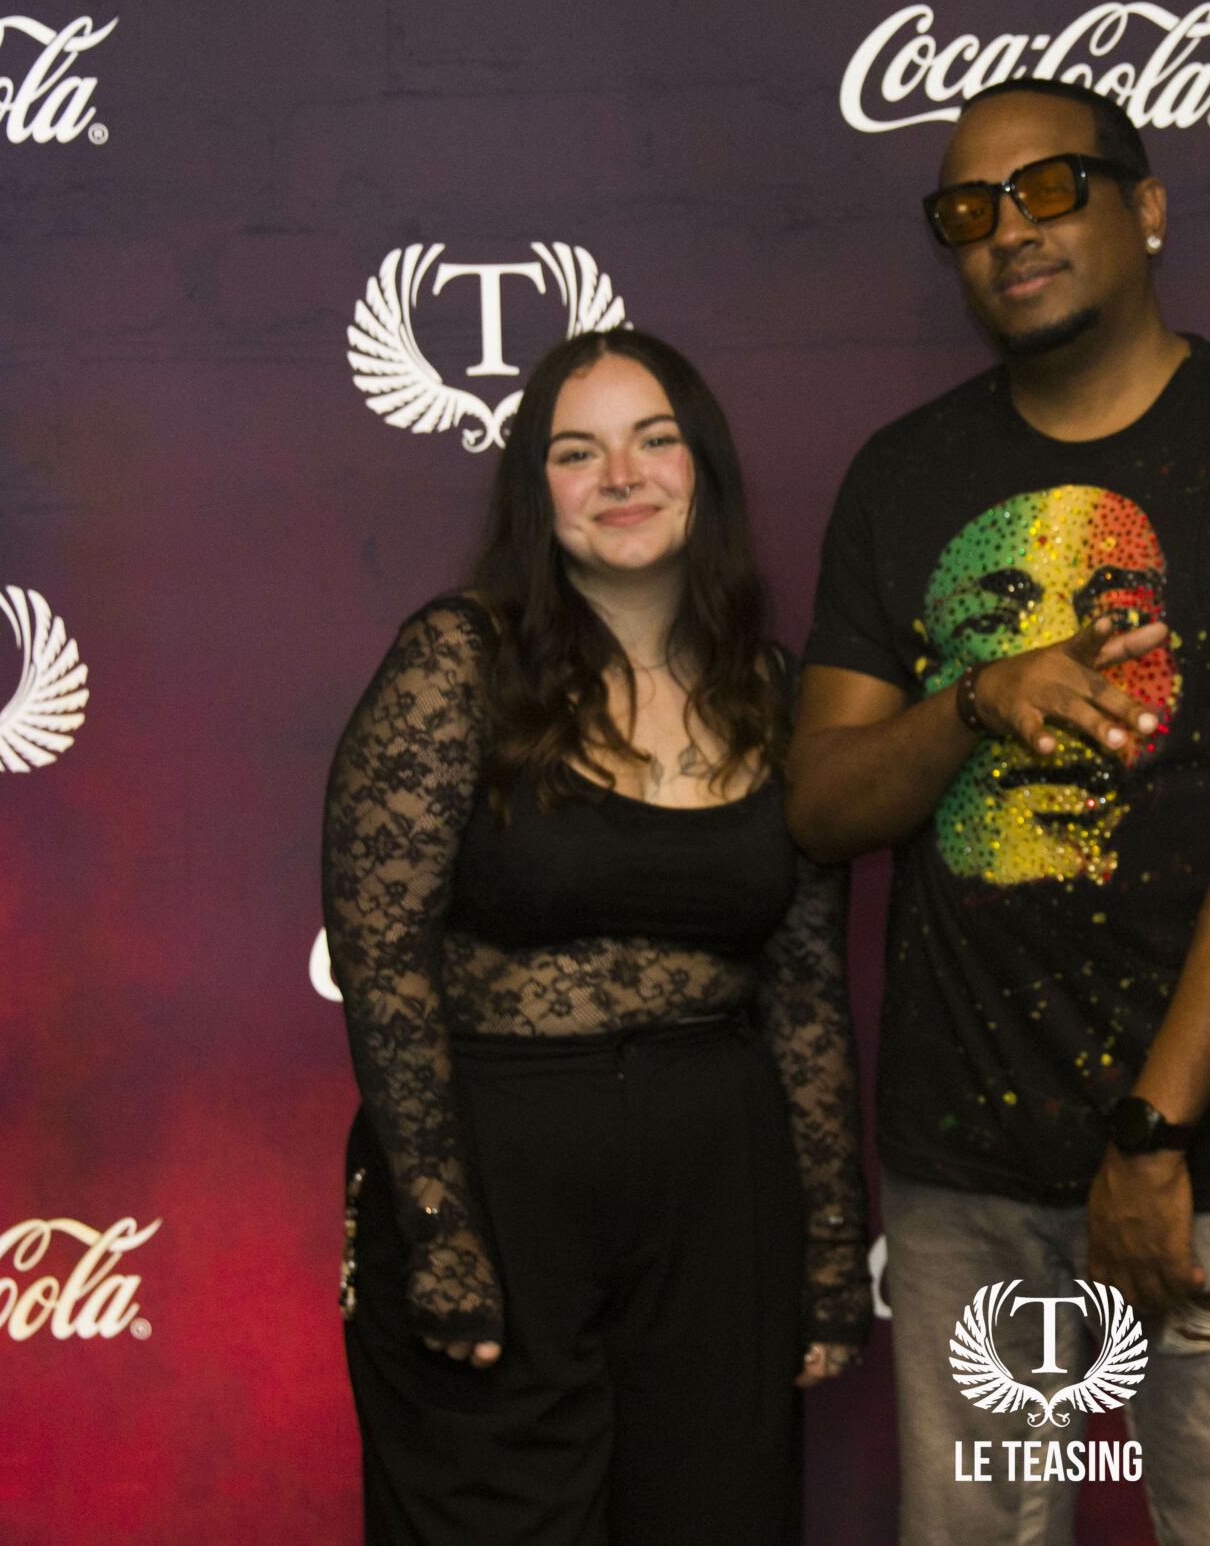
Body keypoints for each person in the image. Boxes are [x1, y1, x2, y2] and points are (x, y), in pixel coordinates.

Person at [789, 75, 1210, 1546]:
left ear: (1149, 207)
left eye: (1050, 188)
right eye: (968, 211)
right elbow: (819, 801)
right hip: (965, 1167)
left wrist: (1151, 1133)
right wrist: (972, 700)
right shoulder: (901, 477)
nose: (1009, 230)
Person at [321, 327, 870, 1545]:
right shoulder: (457, 663)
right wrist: (441, 1232)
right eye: (578, 453)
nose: (621, 477)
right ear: (537, 491)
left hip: (718, 1187)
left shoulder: (778, 694)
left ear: (703, 468)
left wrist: (834, 1246)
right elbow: (381, 955)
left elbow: (803, 993)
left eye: (653, 440)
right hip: (500, 1174)